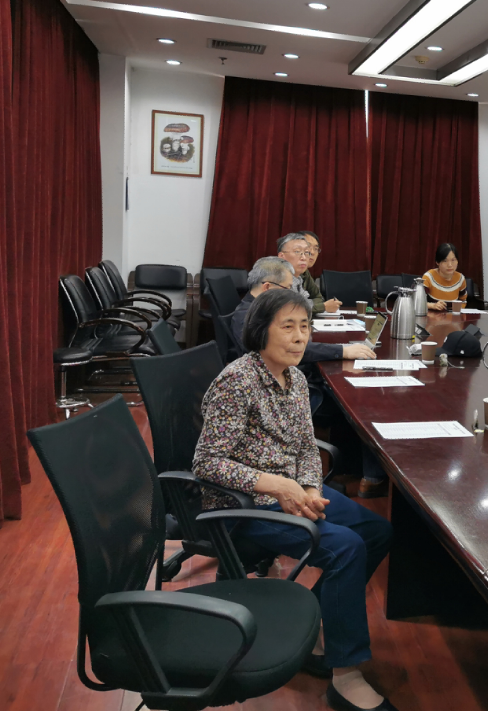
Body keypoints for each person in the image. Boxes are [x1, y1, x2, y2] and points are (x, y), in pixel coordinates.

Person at [194, 289, 396, 711]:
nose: (300, 337)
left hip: (291, 490)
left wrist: (310, 489)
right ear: (260, 331)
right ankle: (346, 675)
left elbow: (305, 447)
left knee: (377, 531)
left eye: (305, 327)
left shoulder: (296, 378)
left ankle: (319, 629)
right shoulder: (237, 381)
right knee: (345, 547)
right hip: (245, 504)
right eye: (288, 327)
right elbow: (207, 463)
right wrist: (276, 485)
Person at [231, 257, 375, 368]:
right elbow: (289, 349)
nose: (291, 293)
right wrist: (343, 351)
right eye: (288, 288)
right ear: (267, 287)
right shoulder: (247, 316)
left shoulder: (264, 308)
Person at [294, 231, 342, 314]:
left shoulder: (305, 272)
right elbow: (288, 308)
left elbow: (318, 298)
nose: (312, 252)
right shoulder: (282, 272)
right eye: (308, 246)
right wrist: (323, 307)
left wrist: (307, 304)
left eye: (316, 249)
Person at [422, 242, 467, 311]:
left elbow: (463, 301)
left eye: (453, 260)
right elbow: (418, 302)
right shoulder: (429, 277)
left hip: (453, 316)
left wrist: (457, 311)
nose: (450, 265)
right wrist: (432, 305)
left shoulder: (460, 279)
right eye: (445, 261)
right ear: (437, 262)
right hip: (432, 315)